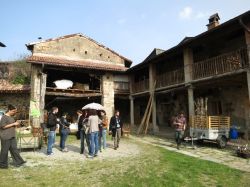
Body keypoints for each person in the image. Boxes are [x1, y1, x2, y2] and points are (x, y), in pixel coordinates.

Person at [0, 104, 26, 169]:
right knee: (4, 151)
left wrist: (18, 124)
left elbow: (12, 126)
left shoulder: (11, 117)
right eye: (13, 111)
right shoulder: (4, 117)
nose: (14, 112)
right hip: (5, 136)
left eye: (15, 111)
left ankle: (19, 162)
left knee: (14, 149)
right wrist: (14, 123)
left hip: (12, 136)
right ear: (9, 110)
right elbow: (3, 126)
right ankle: (2, 165)